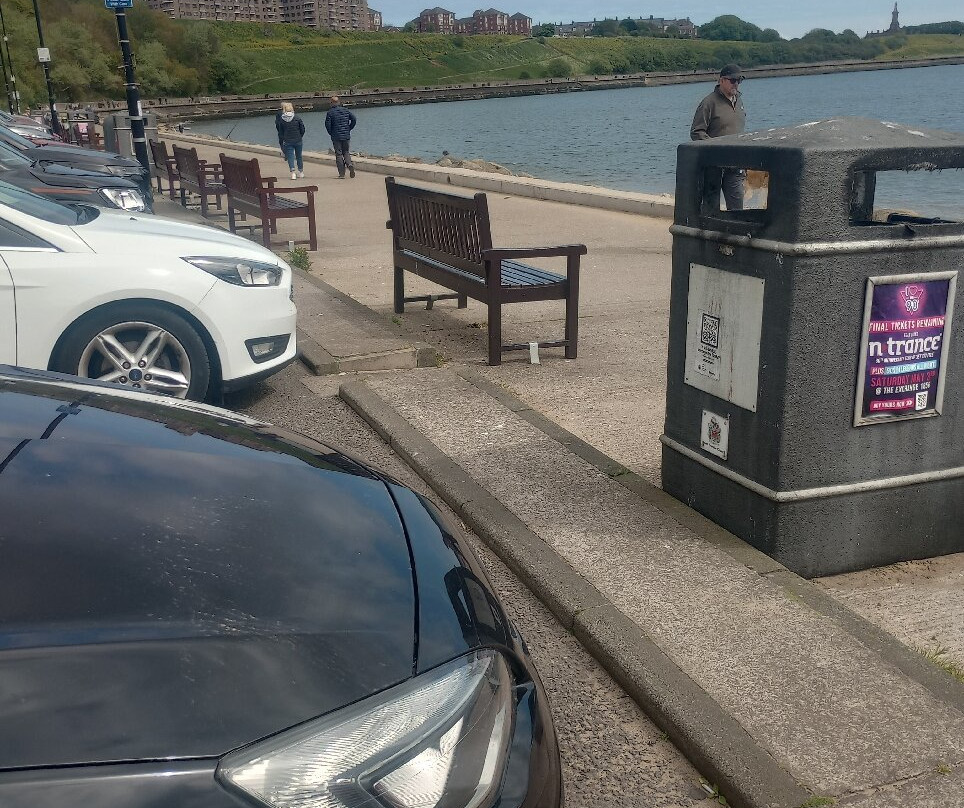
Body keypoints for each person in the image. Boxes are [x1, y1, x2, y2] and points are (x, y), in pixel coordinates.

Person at [690, 63, 747, 210]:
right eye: (733, 80)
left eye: (739, 80)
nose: (736, 84)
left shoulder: (739, 101)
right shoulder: (709, 103)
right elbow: (697, 132)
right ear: (721, 80)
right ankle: (709, 232)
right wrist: (718, 148)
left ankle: (735, 232)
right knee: (710, 208)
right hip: (713, 166)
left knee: (737, 209)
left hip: (735, 164)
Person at [324, 95, 356, 179]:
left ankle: (342, 174)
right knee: (346, 151)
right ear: (339, 102)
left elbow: (327, 125)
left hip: (336, 136)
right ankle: (349, 164)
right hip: (346, 134)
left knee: (338, 154)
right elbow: (354, 119)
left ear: (331, 103)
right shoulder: (346, 110)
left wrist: (331, 133)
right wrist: (349, 128)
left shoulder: (330, 112)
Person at [275, 101, 305, 180]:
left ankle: (293, 173)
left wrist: (283, 138)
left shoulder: (282, 119)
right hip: (298, 139)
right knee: (299, 156)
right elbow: (302, 129)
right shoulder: (297, 118)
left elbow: (280, 131)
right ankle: (301, 172)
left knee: (290, 156)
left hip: (287, 140)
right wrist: (300, 136)